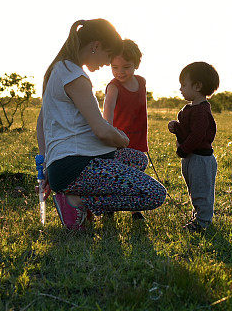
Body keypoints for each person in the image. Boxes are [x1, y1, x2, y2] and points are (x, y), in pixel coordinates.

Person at [36, 19, 166, 230]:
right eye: (108, 56)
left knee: (138, 159)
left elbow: (41, 124)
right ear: (95, 46)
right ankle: (77, 202)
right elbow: (102, 131)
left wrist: (46, 164)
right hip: (77, 165)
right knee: (154, 194)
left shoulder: (59, 69)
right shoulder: (75, 77)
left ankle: (79, 197)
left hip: (72, 161)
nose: (107, 63)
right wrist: (123, 139)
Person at [167, 62, 219, 232]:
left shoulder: (202, 111)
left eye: (184, 85)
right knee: (194, 189)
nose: (181, 89)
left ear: (197, 86)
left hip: (200, 158)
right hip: (191, 157)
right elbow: (187, 131)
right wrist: (176, 128)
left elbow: (197, 136)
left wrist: (183, 149)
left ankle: (203, 222)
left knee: (201, 191)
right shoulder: (190, 109)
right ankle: (197, 217)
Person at [102, 39, 149, 220]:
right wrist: (110, 139)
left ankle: (136, 210)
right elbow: (107, 117)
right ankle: (109, 208)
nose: (120, 72)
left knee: (137, 173)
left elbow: (141, 110)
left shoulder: (141, 82)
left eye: (126, 67)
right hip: (118, 140)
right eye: (115, 67)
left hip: (138, 137)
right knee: (117, 175)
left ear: (136, 65)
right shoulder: (114, 87)